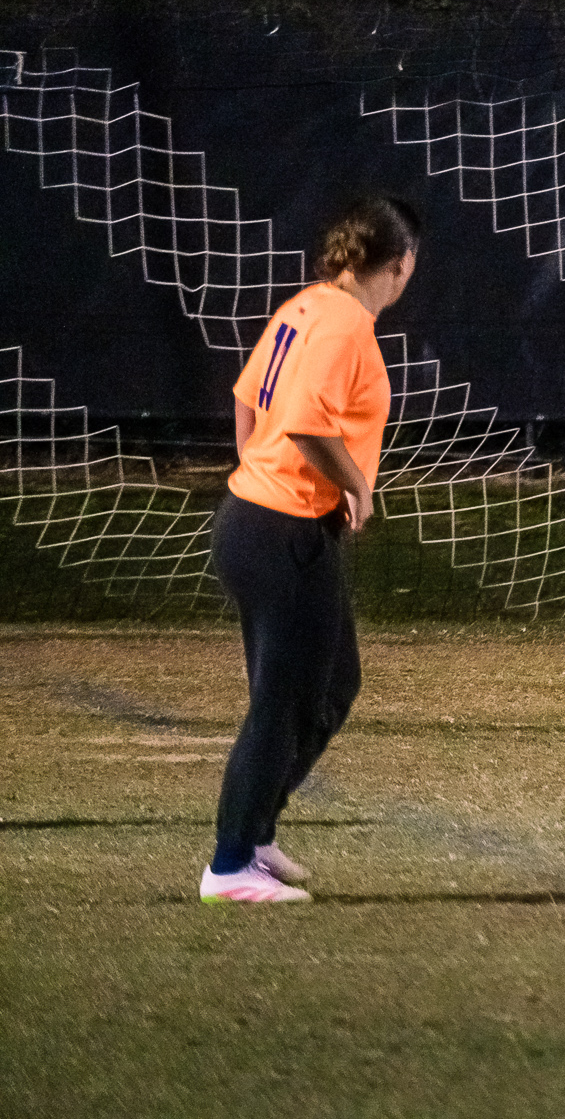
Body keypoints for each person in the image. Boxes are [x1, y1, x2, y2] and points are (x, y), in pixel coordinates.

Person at [200, 195, 420, 904]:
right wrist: (357, 484)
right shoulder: (346, 322)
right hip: (283, 531)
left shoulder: (304, 307)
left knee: (332, 685)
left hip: (257, 520)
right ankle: (230, 864)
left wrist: (255, 468)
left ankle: (256, 830)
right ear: (401, 263)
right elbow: (301, 420)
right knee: (285, 702)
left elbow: (246, 397)